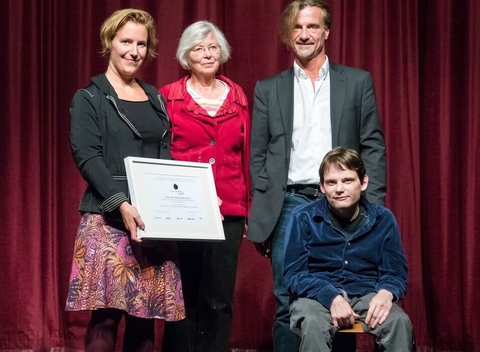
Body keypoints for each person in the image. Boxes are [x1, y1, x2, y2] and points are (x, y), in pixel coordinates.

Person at [248, 0, 386, 350]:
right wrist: (262, 210)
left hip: (342, 204)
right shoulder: (268, 88)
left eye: (312, 26)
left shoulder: (356, 82)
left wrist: (372, 205)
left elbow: (373, 146)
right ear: (288, 34)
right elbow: (259, 154)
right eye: (297, 27)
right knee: (286, 301)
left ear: (326, 31)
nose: (304, 34)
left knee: (344, 297)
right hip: (290, 205)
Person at [65, 9, 185, 352]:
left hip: (153, 221)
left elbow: (165, 161)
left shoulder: (155, 97)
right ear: (109, 43)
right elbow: (87, 157)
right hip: (108, 220)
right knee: (105, 318)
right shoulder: (88, 98)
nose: (134, 51)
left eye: (142, 44)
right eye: (126, 42)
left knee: (145, 317)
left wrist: (196, 198)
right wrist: (121, 202)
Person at [159, 21, 251, 352]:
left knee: (219, 298)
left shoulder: (237, 96)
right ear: (186, 56)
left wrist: (246, 209)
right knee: (184, 298)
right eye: (199, 48)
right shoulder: (169, 97)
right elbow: (161, 154)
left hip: (229, 210)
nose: (207, 54)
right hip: (185, 210)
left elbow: (245, 154)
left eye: (213, 47)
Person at [283, 147, 413, 351]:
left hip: (366, 293)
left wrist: (387, 293)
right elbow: (293, 273)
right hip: (317, 297)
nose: (339, 189)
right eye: (331, 182)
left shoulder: (383, 219)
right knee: (312, 322)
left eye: (347, 180)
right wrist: (330, 296)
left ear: (363, 182)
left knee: (398, 321)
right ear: (322, 187)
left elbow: (396, 272)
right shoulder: (303, 217)